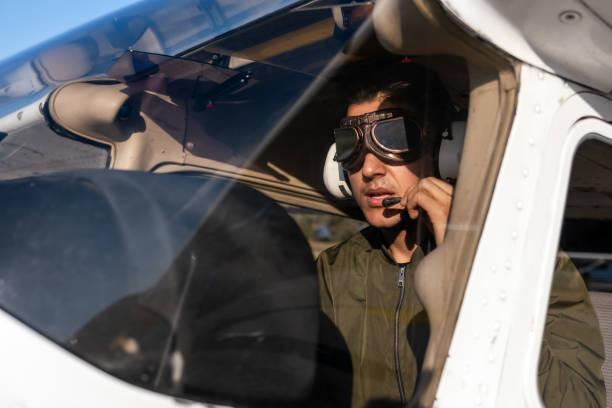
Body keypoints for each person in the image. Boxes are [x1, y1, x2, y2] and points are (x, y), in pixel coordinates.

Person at [316, 60, 605, 408]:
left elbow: (578, 401)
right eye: (351, 146)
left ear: (445, 154)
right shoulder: (333, 269)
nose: (368, 168)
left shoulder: (535, 262)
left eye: (394, 138)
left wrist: (471, 260)